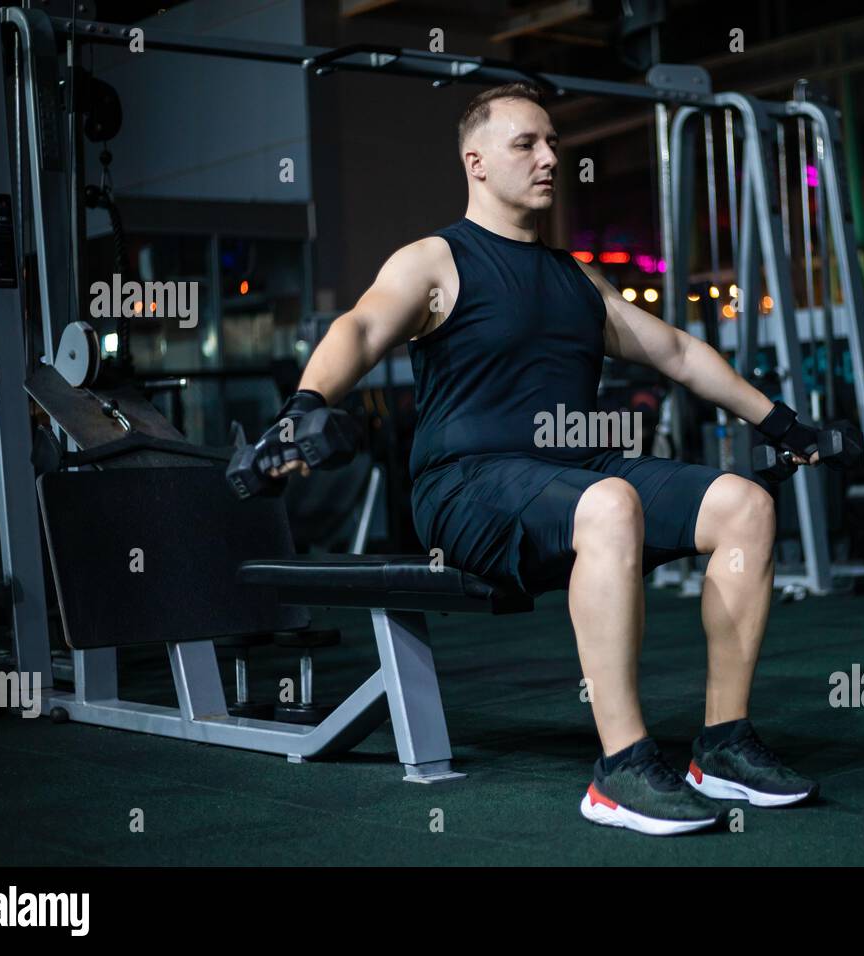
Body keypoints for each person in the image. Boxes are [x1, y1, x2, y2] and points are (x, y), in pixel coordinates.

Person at [251, 83, 826, 836]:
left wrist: (782, 422)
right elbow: (359, 329)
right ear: (477, 161)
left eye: (553, 143)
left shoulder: (576, 276)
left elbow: (676, 351)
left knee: (745, 506)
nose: (550, 157)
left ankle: (721, 746)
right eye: (528, 144)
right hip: (466, 487)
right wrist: (304, 406)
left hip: (573, 479)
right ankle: (621, 771)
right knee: (612, 505)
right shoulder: (436, 259)